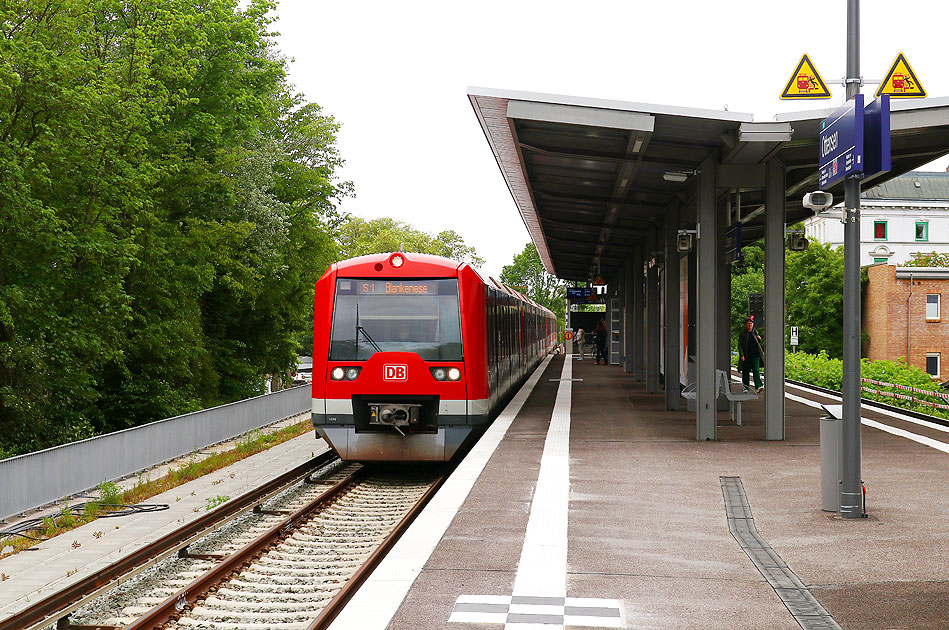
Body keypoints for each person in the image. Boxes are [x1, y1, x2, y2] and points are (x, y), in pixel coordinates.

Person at [738, 318, 764, 392]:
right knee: (745, 371)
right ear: (746, 325)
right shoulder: (743, 334)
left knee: (756, 370)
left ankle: (758, 386)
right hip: (746, 356)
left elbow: (758, 342)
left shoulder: (755, 332)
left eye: (751, 324)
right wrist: (742, 355)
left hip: (755, 355)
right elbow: (740, 346)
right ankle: (745, 387)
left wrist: (759, 338)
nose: (750, 325)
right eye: (748, 324)